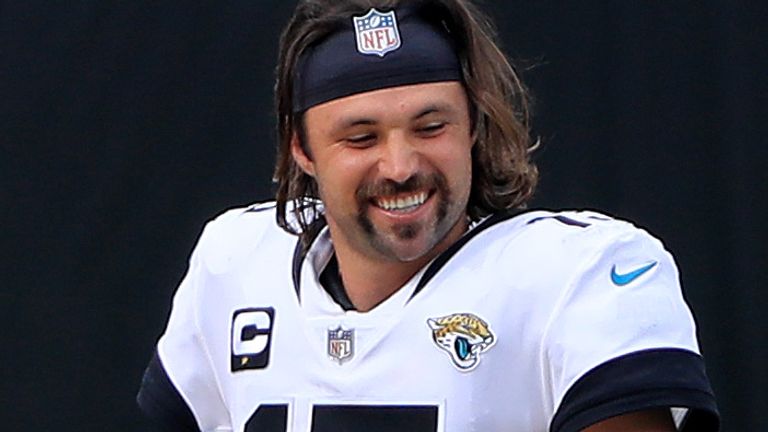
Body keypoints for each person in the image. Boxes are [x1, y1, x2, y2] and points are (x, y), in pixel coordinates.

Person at [137, 0, 720, 431]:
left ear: (474, 124)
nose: (399, 165)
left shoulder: (578, 274)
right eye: (360, 137)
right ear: (303, 149)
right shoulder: (236, 259)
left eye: (430, 126)